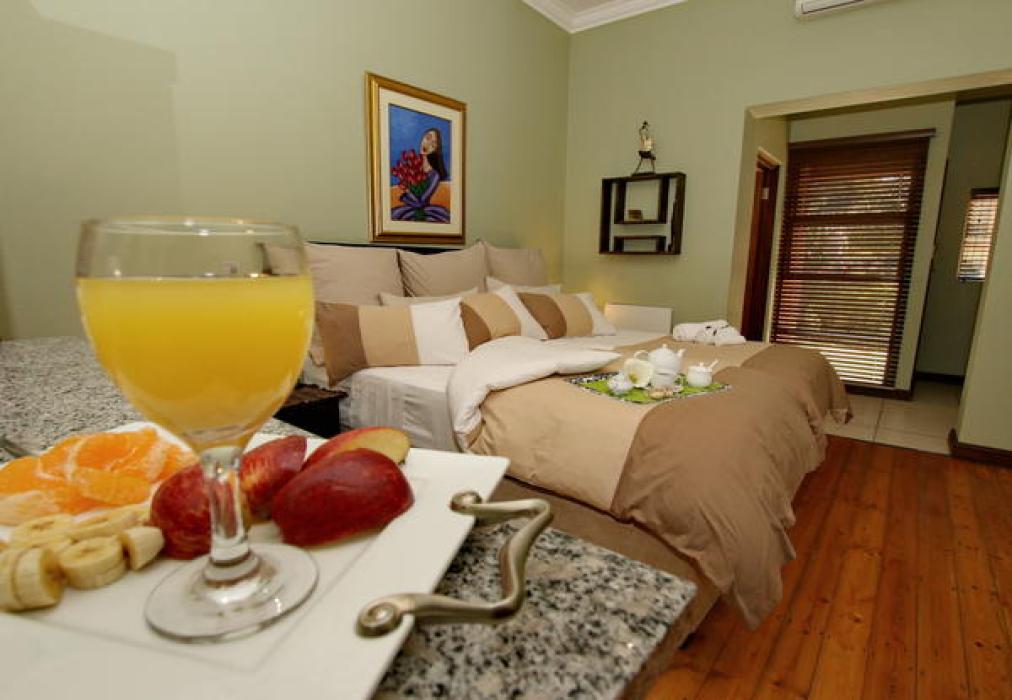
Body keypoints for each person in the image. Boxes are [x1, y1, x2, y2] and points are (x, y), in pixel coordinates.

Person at [392, 128, 450, 222]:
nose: (428, 144)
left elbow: (421, 202)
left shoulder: (435, 175)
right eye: (427, 138)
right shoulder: (412, 166)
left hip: (426, 212)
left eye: (433, 144)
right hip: (408, 210)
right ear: (422, 138)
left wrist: (406, 193)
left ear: (435, 150)